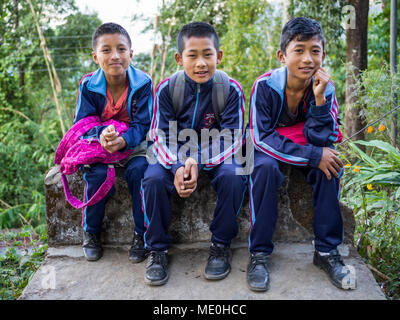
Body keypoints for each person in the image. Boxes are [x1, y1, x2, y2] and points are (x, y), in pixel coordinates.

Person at [247, 17, 356, 291]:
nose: (308, 59)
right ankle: (259, 253)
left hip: (301, 143)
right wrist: (311, 155)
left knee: (330, 167)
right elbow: (261, 138)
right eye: (299, 50)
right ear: (282, 55)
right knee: (264, 170)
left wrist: (319, 101)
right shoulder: (265, 86)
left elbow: (322, 138)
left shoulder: (325, 87)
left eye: (315, 51)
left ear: (323, 55)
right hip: (269, 147)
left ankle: (326, 251)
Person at [141, 22, 247, 286]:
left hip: (217, 153)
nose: (201, 63)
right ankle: (157, 249)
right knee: (152, 178)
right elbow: (160, 134)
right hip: (175, 154)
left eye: (208, 54)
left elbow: (233, 136)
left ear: (218, 56)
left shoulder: (231, 89)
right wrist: (179, 165)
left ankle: (221, 245)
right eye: (192, 55)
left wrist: (198, 161)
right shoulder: (167, 89)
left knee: (235, 175)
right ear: (179, 58)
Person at [73, 22, 153, 263]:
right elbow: (83, 124)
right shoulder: (88, 85)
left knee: (140, 172)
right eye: (106, 50)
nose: (115, 56)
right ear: (95, 56)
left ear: (131, 53)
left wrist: (123, 140)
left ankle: (141, 235)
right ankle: (91, 232)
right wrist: (101, 136)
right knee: (96, 176)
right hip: (101, 147)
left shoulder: (143, 83)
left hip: (133, 146)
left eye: (121, 49)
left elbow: (143, 125)